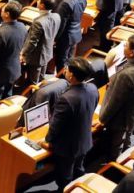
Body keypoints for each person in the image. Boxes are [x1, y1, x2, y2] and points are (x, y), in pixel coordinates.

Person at [40, 58, 99, 190]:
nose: (65, 70)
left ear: (71, 75)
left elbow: (56, 126)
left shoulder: (66, 99)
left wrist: (47, 140)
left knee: (65, 177)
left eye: (67, 69)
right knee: (79, 169)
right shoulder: (93, 88)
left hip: (67, 147)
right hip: (85, 140)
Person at [100, 35, 134, 159]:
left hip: (122, 119)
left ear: (132, 52)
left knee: (116, 147)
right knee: (127, 139)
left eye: (126, 45)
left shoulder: (127, 75)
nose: (123, 46)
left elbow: (115, 101)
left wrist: (102, 119)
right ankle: (126, 153)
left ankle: (114, 167)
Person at [21, 0, 60, 85]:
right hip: (47, 52)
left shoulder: (38, 22)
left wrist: (23, 53)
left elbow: (32, 43)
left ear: (42, 5)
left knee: (33, 82)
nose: (36, 0)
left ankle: (33, 93)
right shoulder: (57, 16)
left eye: (38, 0)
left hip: (36, 57)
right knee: (41, 78)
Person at [54, 0, 87, 73]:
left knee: (61, 60)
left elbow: (61, 24)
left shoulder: (66, 3)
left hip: (65, 36)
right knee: (70, 59)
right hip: (76, 33)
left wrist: (55, 38)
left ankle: (62, 79)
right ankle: (69, 77)